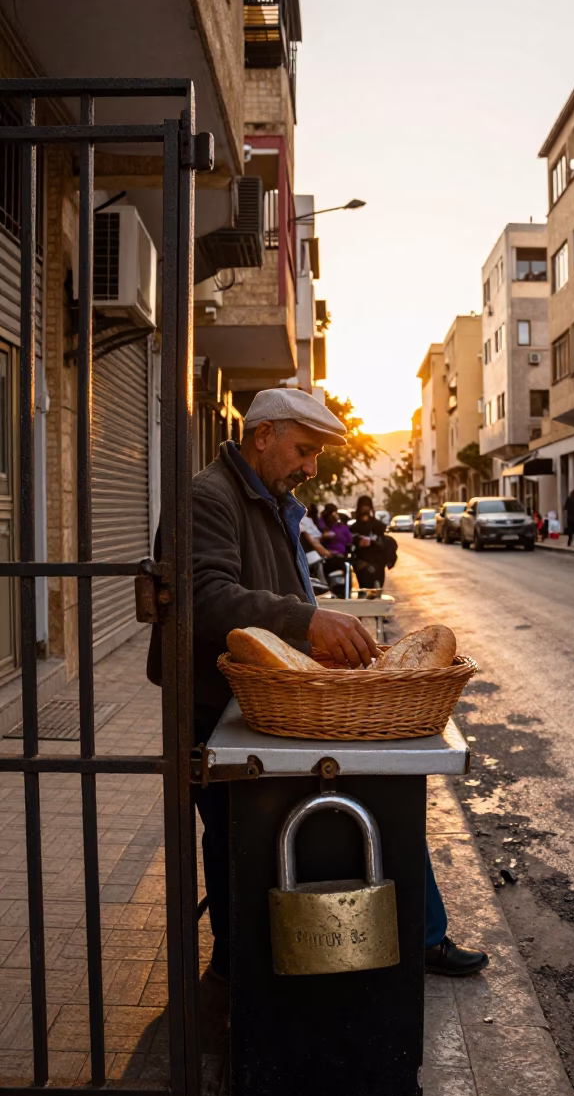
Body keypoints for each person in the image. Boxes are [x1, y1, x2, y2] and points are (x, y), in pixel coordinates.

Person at [149, 388, 487, 980]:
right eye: (304, 451)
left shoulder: (267, 494)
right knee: (234, 840)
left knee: (369, 801)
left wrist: (316, 630)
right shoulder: (207, 497)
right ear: (263, 435)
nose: (311, 469)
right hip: (217, 707)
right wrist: (308, 621)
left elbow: (275, 588)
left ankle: (414, 934)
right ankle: (236, 968)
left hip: (270, 701)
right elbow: (203, 598)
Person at [350, 495, 389, 590]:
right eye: (363, 506)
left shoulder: (378, 525)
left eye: (367, 506)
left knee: (377, 590)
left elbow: (383, 543)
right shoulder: (354, 527)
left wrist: (373, 542)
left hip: (378, 563)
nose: (365, 508)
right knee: (365, 590)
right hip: (362, 563)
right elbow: (352, 545)